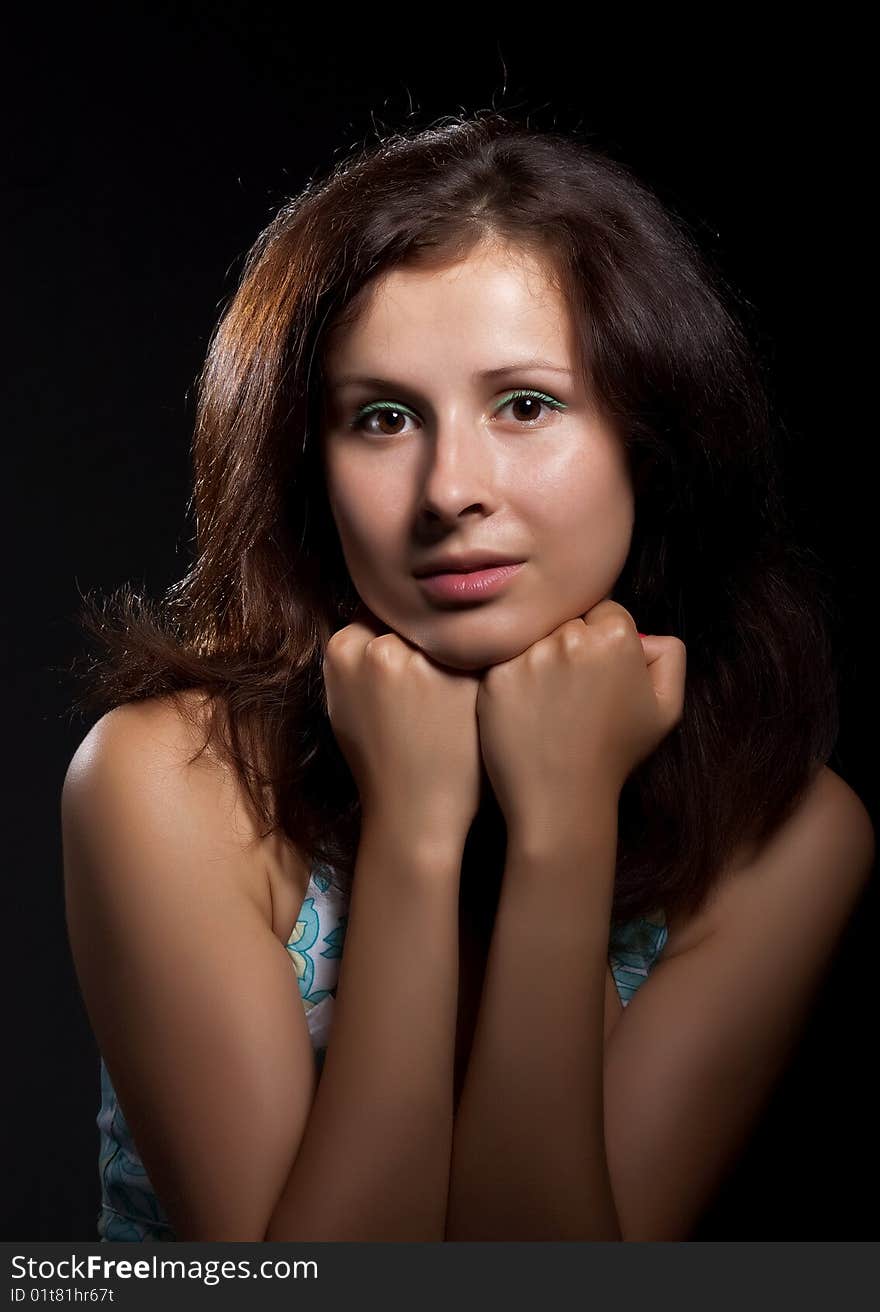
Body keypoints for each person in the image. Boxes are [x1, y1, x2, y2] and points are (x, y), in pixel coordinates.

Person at [61, 109, 874, 1243]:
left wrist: (560, 825)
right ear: (310, 464)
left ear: (652, 435)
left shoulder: (785, 827)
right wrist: (414, 824)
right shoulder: (164, 780)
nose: (451, 489)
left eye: (526, 405)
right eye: (383, 417)